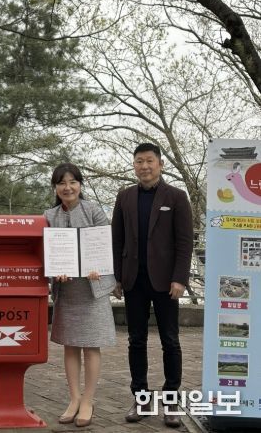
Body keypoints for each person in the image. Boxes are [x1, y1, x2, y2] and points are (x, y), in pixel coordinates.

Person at [111, 143, 193, 428]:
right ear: (134, 165)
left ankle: (171, 401)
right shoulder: (124, 196)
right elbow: (117, 239)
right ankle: (141, 398)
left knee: (170, 340)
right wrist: (117, 277)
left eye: (149, 161)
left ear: (160, 164)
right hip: (134, 280)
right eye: (139, 161)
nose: (144, 166)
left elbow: (185, 242)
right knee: (136, 340)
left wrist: (180, 278)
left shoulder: (177, 196)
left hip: (166, 282)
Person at [44, 162, 116, 428]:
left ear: (80, 185)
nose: (68, 187)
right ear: (55, 187)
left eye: (72, 182)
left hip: (92, 290)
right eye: (62, 183)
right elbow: (47, 252)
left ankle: (88, 400)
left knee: (91, 345)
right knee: (70, 345)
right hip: (67, 291)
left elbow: (104, 246)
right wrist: (56, 272)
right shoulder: (49, 215)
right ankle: (74, 398)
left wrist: (98, 268)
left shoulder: (93, 210)